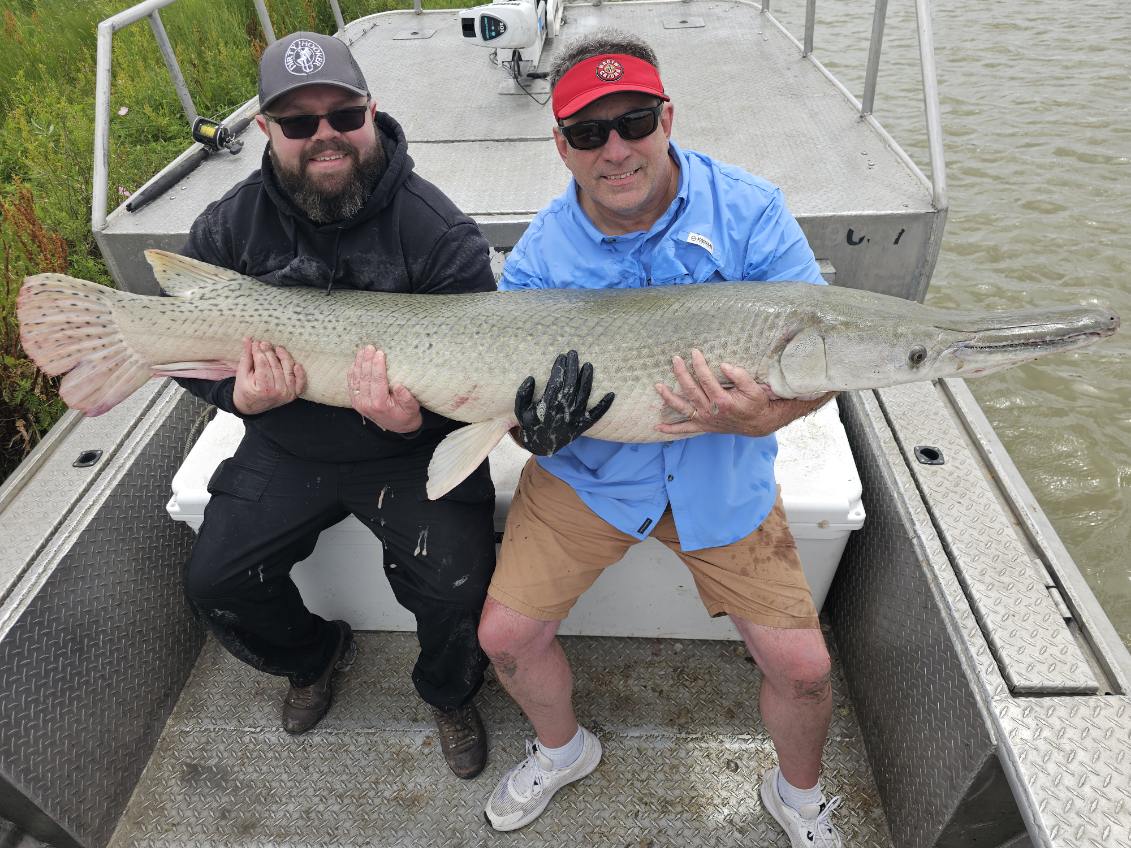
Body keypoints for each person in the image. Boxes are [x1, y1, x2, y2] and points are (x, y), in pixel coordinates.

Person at [477, 31, 845, 846]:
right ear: (561, 145)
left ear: (666, 116)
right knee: (504, 639)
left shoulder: (751, 210)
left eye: (634, 120)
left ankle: (799, 798)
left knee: (805, 671)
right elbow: (510, 406)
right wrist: (530, 431)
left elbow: (822, 361)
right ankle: (561, 750)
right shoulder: (537, 259)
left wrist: (765, 417)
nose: (615, 149)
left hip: (721, 473)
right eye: (587, 132)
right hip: (591, 478)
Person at [175, 31, 499, 779]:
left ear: (371, 113)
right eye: (297, 123)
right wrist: (237, 396)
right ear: (266, 130)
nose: (325, 136)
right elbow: (184, 351)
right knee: (215, 584)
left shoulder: (439, 233)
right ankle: (314, 656)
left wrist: (414, 421)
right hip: (285, 445)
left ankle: (448, 693)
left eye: (342, 115)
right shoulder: (227, 226)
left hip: (408, 450)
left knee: (458, 582)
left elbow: (482, 378)